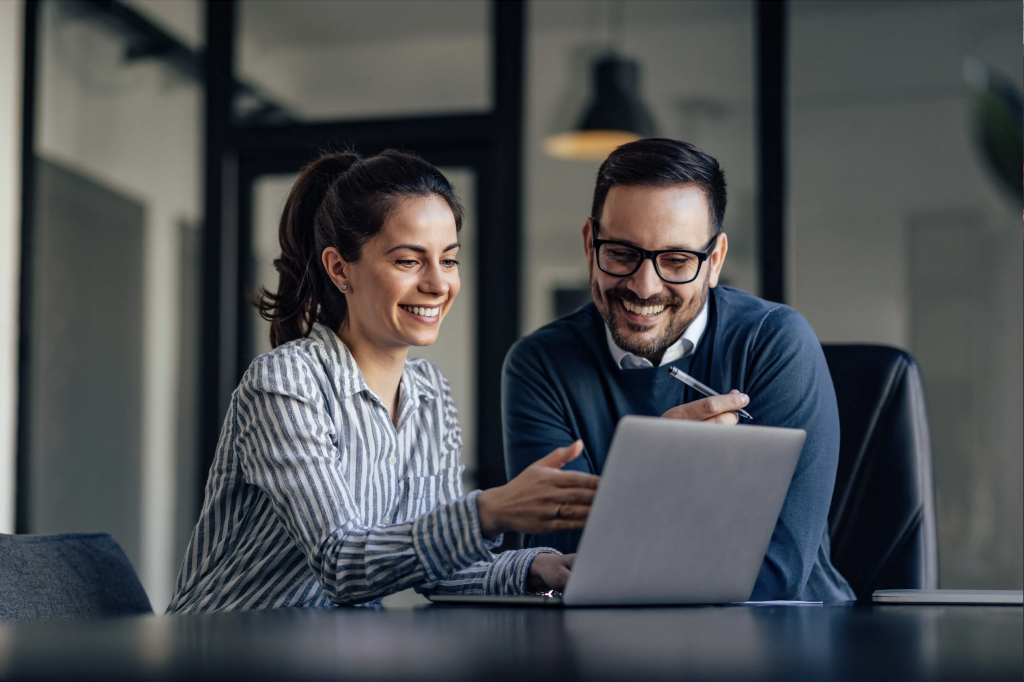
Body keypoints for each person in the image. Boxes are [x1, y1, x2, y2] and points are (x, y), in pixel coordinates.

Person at [168, 150, 597, 613]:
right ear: (339, 269)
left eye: (448, 260)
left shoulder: (430, 392)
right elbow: (341, 563)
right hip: (223, 659)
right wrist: (490, 511)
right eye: (409, 261)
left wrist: (540, 568)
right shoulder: (284, 383)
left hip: (332, 659)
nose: (438, 284)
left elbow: (439, 567)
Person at [502, 138, 855, 602]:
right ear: (591, 244)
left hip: (787, 640)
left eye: (676, 260)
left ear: (715, 261)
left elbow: (778, 568)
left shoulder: (776, 343)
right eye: (622, 253)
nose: (644, 287)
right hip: (611, 651)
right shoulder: (539, 365)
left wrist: (633, 516)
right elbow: (567, 565)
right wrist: (657, 471)